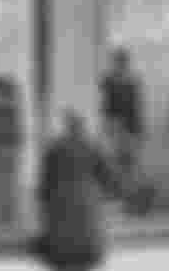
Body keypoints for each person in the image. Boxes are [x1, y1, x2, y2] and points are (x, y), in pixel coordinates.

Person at [35, 111, 120, 271]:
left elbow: (45, 181)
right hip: (87, 206)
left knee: (59, 237)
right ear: (81, 128)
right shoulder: (92, 147)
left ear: (67, 128)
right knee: (89, 232)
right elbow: (108, 177)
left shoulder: (55, 149)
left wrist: (44, 199)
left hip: (60, 205)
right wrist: (110, 193)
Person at [102, 49, 144, 183]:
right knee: (115, 158)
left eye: (123, 62)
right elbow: (106, 105)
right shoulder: (108, 81)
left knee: (129, 159)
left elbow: (136, 106)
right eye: (119, 62)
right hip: (115, 124)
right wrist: (109, 124)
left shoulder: (133, 81)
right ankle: (118, 184)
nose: (121, 65)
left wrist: (138, 129)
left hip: (129, 126)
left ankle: (128, 184)